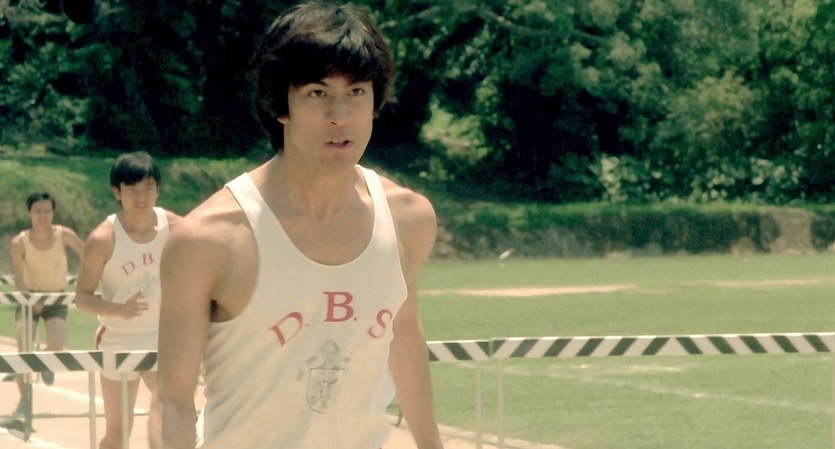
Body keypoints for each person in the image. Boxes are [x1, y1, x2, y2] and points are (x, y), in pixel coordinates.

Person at [157, 2, 444, 449]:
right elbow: (173, 399)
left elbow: (402, 334)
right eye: (316, 92)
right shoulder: (208, 241)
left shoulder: (409, 221)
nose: (339, 115)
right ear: (280, 105)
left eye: (357, 91)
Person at [75, 151, 180, 449]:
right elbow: (81, 298)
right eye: (131, 189)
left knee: (171, 414)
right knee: (119, 432)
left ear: (158, 189)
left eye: (148, 188)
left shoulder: (175, 227)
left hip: (162, 338)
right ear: (117, 192)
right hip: (118, 340)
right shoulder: (103, 239)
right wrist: (120, 310)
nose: (141, 197)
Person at [8, 192, 84, 416]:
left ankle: (46, 363)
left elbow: (86, 253)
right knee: (24, 350)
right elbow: (19, 279)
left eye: (47, 211)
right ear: (30, 213)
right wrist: (31, 300)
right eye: (38, 211)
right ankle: (24, 399)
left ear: (53, 213)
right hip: (29, 299)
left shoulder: (64, 235)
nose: (43, 216)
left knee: (57, 345)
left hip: (56, 298)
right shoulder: (19, 242)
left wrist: (87, 279)